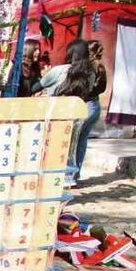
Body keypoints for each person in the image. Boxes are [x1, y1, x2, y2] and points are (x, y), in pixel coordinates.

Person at [39, 39, 102, 181]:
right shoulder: (90, 73)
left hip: (64, 113)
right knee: (80, 141)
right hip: (86, 109)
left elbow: (38, 86)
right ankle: (72, 176)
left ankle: (61, 175)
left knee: (65, 142)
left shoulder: (59, 71)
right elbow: (90, 90)